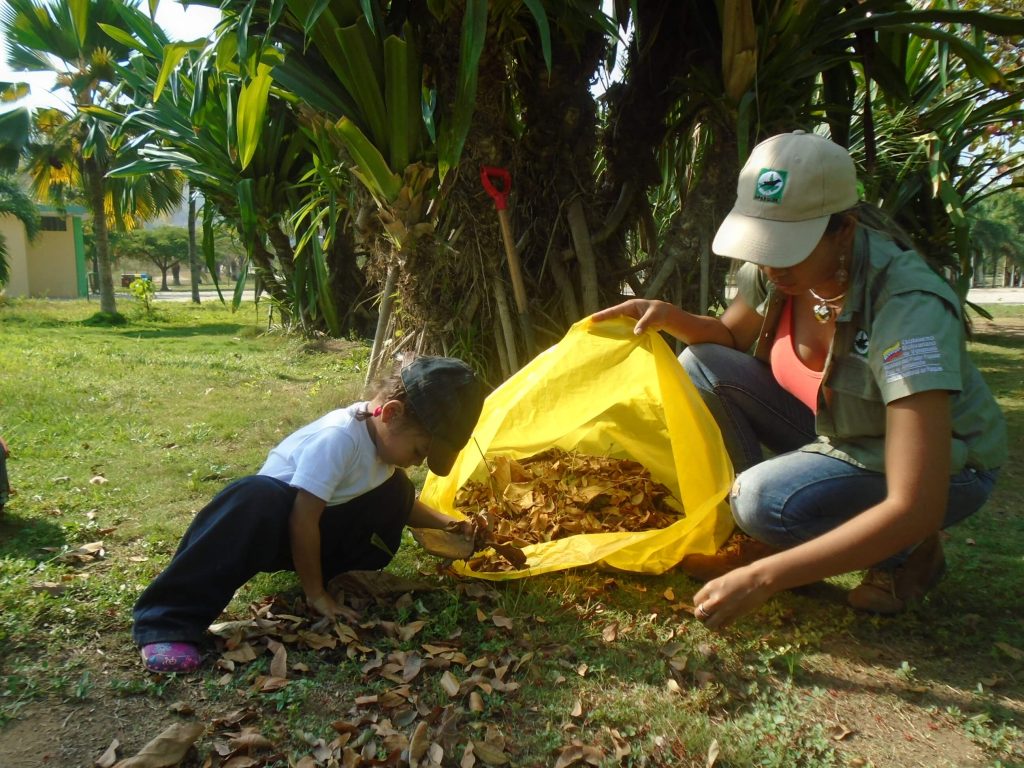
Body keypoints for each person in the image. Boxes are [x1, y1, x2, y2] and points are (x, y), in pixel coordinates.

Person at [592, 130, 1006, 629]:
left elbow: (916, 501)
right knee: (700, 361)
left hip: (945, 468)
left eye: (789, 245)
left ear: (844, 231)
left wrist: (767, 577)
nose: (771, 262)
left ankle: (909, 554)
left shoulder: (906, 308)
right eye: (764, 243)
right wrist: (667, 315)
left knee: (761, 498)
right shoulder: (779, 273)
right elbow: (725, 337)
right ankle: (759, 536)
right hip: (840, 432)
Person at [132, 356, 485, 672]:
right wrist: (316, 594)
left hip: (319, 526)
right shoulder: (339, 440)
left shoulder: (381, 443)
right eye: (420, 450)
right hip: (270, 527)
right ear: (391, 413)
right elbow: (303, 518)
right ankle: (167, 622)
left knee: (397, 490)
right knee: (254, 496)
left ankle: (324, 576)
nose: (418, 461)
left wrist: (449, 523)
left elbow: (402, 506)